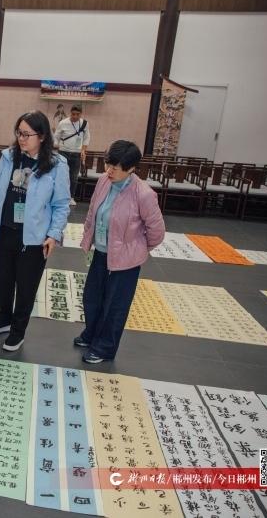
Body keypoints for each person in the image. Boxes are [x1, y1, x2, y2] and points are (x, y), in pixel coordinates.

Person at [0, 111, 70, 352]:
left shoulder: (57, 165)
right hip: (6, 231)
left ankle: (18, 331)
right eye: (19, 133)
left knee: (26, 287)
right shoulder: (9, 157)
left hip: (34, 239)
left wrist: (53, 234)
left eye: (27, 134)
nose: (21, 138)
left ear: (41, 136)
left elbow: (61, 205)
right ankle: (5, 318)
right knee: (3, 281)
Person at [75, 140, 165, 364]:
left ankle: (104, 348)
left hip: (125, 262)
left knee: (115, 306)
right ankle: (92, 334)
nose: (109, 171)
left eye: (116, 167)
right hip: (101, 252)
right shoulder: (104, 182)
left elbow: (157, 232)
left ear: (132, 168)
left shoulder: (143, 194)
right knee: (92, 298)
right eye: (108, 164)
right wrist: (89, 238)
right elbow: (92, 213)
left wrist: (136, 250)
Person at [53, 104, 91, 206]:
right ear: (70, 113)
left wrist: (84, 150)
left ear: (81, 114)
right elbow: (56, 137)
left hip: (77, 153)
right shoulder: (63, 123)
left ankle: (71, 197)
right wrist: (57, 146)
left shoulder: (84, 124)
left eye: (77, 114)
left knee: (73, 177)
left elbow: (86, 138)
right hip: (63, 152)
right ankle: (59, 196)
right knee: (61, 175)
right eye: (73, 114)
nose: (75, 116)